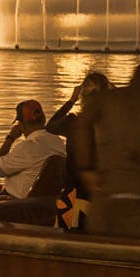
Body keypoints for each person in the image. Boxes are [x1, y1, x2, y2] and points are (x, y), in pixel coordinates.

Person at [74, 63, 140, 237]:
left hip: (109, 191)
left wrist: (86, 169)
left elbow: (81, 125)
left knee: (100, 248)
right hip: (133, 195)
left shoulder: (108, 100)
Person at [46, 71, 112, 227]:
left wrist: (71, 101)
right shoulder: (113, 125)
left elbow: (50, 127)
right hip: (101, 195)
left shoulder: (73, 123)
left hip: (73, 195)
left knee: (68, 238)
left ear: (83, 96)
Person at [0, 99, 66, 199]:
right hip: (46, 202)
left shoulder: (27, 147)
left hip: (16, 204)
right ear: (43, 120)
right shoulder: (59, 142)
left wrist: (10, 138)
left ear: (21, 124)